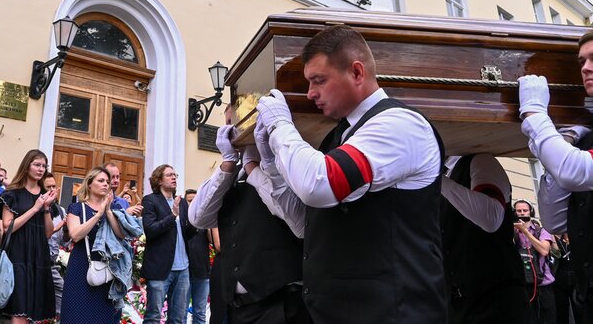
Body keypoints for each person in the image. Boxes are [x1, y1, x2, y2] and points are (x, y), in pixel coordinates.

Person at [254, 24, 446, 324]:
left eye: (319, 80)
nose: (310, 93)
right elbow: (308, 224)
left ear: (357, 72)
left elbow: (321, 184)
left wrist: (281, 126)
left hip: (393, 313)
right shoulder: (341, 136)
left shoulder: (398, 124)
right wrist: (268, 165)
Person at [518, 25, 593, 322]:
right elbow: (555, 219)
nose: (586, 68)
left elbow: (578, 171)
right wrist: (563, 145)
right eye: (581, 61)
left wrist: (534, 114)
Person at [189, 115, 309, 324]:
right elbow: (198, 217)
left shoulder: (284, 165)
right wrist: (227, 163)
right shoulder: (229, 174)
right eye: (229, 121)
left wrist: (254, 167)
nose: (236, 127)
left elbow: (295, 218)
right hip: (239, 307)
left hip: (280, 303)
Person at [441, 154, 527, 323]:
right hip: (460, 303)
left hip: (494, 300)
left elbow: (490, 218)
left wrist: (436, 180)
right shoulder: (444, 174)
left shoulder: (480, 160)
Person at [0, 149, 57, 324]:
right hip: (18, 255)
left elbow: (48, 233)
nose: (41, 169)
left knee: (32, 311)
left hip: (39, 255)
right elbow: (8, 227)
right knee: (19, 310)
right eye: (37, 165)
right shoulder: (12, 194)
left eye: (44, 166)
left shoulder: (45, 195)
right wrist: (35, 208)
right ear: (27, 166)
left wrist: (45, 209)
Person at [61, 167, 126, 324]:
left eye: (107, 182)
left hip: (106, 271)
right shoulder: (77, 208)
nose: (106, 184)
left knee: (102, 317)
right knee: (76, 314)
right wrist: (98, 215)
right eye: (101, 181)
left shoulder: (114, 209)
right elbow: (75, 235)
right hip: (81, 265)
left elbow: (121, 235)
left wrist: (108, 212)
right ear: (89, 184)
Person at [141, 164, 194, 324]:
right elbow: (150, 230)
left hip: (183, 268)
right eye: (169, 175)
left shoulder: (182, 202)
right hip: (160, 268)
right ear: (158, 180)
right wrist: (172, 215)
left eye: (175, 175)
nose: (174, 178)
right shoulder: (150, 200)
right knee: (153, 317)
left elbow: (188, 233)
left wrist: (197, 221)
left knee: (178, 318)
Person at [513, 200, 556, 324]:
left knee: (549, 319)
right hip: (524, 285)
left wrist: (526, 232)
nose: (522, 213)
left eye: (525, 210)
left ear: (530, 212)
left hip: (544, 285)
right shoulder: (512, 232)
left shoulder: (541, 231)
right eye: (518, 211)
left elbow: (544, 250)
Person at [183, 189, 209, 324]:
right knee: (181, 312)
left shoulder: (204, 220)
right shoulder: (180, 221)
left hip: (202, 271)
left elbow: (213, 241)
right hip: (184, 272)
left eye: (195, 201)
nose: (192, 204)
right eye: (189, 201)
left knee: (200, 312)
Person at [44, 173, 67, 321]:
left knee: (63, 296)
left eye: (54, 186)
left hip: (52, 265)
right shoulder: (36, 208)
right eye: (48, 187)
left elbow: (64, 242)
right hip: (36, 263)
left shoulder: (61, 211)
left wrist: (68, 232)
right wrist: (55, 228)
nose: (52, 190)